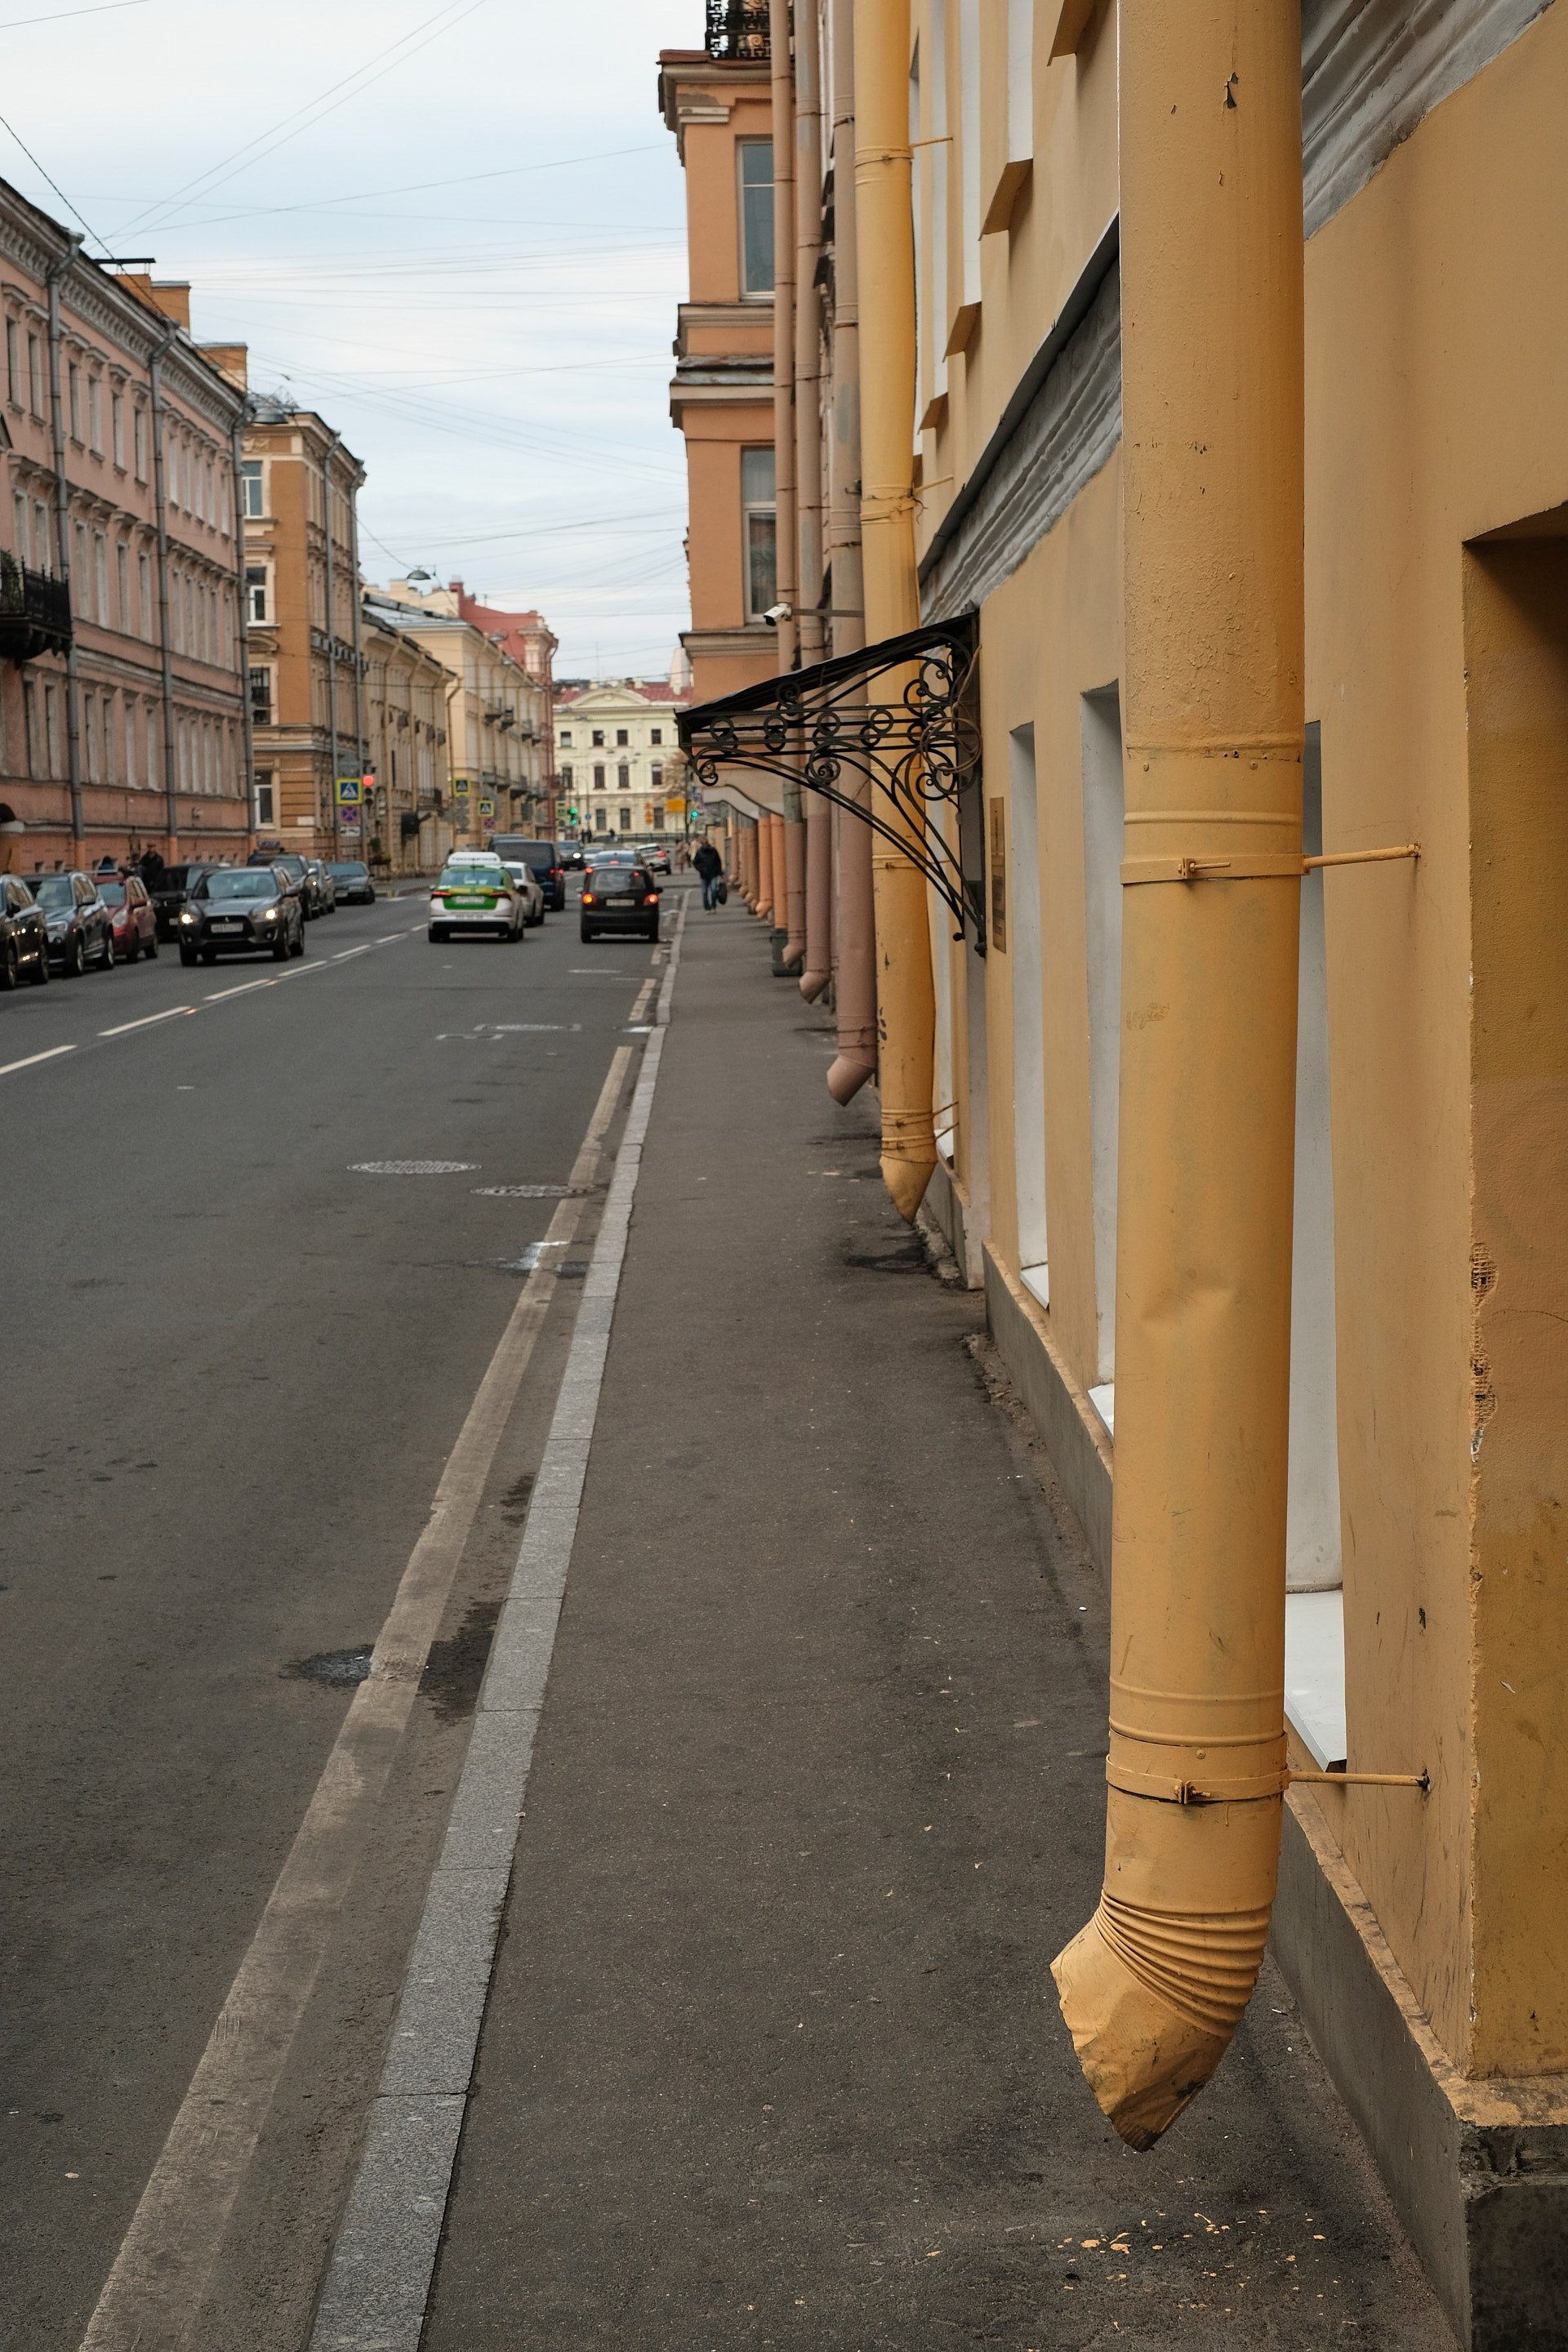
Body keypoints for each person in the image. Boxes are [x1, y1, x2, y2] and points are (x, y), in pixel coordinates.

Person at [693, 835, 724, 911]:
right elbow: (695, 862)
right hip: (704, 875)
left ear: (707, 843)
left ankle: (713, 906)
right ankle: (707, 907)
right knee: (704, 892)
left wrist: (720, 872)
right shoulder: (699, 852)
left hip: (713, 874)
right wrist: (701, 869)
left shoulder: (713, 850)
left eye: (705, 843)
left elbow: (718, 862)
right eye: (703, 843)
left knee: (713, 890)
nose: (704, 845)